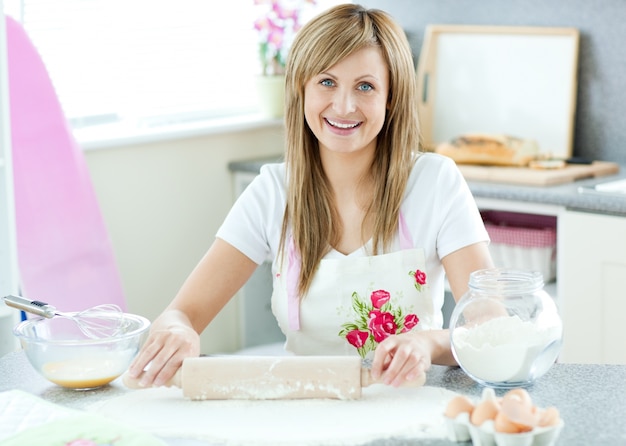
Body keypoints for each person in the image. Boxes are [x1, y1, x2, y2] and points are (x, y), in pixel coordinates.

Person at [128, 3, 493, 388]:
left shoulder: (434, 182)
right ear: (301, 88)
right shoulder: (272, 193)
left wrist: (427, 343)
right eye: (327, 82)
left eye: (365, 86)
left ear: (391, 97)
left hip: (412, 404)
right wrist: (178, 331)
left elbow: (489, 326)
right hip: (305, 408)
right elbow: (180, 314)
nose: (344, 106)